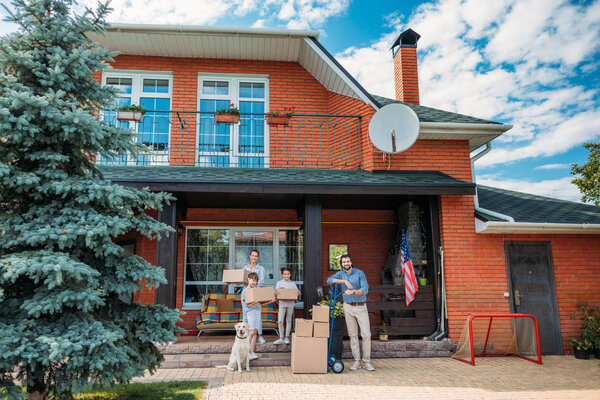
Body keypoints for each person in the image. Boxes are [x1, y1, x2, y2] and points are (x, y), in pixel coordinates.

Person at [326, 253, 374, 371]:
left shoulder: (359, 273)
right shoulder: (341, 274)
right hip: (347, 307)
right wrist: (344, 282)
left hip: (360, 307)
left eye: (347, 261)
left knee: (366, 334)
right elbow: (329, 280)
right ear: (341, 264)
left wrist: (352, 292)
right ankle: (357, 361)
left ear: (351, 262)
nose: (346, 264)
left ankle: (366, 361)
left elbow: (365, 290)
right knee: (353, 335)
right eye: (343, 262)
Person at [243, 249, 266, 344]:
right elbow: (242, 281)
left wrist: (253, 285)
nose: (254, 257)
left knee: (257, 314)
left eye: (256, 256)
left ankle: (259, 335)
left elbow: (260, 282)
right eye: (252, 255)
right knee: (245, 314)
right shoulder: (245, 268)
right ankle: (245, 336)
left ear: (258, 257)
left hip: (256, 292)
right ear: (249, 256)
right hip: (246, 292)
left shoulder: (261, 269)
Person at [273, 267, 300, 345]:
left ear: (290, 275)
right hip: (282, 304)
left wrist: (297, 293)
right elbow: (276, 292)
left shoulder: (292, 284)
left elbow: (297, 292)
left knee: (288, 320)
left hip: (290, 304)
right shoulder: (279, 283)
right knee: (280, 321)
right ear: (282, 275)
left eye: (288, 274)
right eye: (285, 274)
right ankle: (281, 337)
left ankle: (287, 337)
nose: (286, 275)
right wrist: (277, 293)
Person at [241, 272, 263, 360]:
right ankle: (246, 352)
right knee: (251, 332)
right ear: (248, 279)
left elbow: (260, 302)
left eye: (256, 281)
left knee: (255, 332)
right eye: (253, 280)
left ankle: (252, 352)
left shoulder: (256, 290)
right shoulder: (245, 291)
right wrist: (253, 303)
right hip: (250, 313)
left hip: (257, 311)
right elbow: (246, 304)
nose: (254, 282)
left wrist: (271, 300)